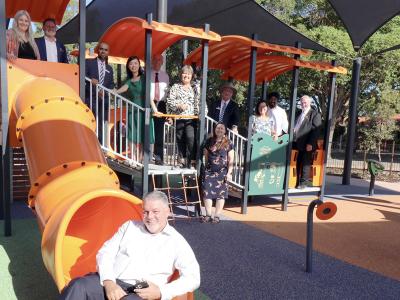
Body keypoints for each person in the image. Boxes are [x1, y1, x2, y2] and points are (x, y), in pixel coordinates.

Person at [59, 191, 200, 300]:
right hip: (113, 282)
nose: (150, 216)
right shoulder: (129, 226)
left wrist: (161, 291)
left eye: (155, 211)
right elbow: (105, 252)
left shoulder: (177, 241)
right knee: (79, 285)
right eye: (145, 211)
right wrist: (109, 282)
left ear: (167, 212)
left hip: (139, 293)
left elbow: (193, 278)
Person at [114, 56, 155, 162]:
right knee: (132, 135)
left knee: (143, 135)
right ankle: (133, 158)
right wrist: (115, 91)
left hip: (144, 110)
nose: (133, 65)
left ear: (139, 65)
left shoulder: (144, 78)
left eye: (135, 63)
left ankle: (140, 160)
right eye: (131, 64)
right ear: (128, 66)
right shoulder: (129, 81)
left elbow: (149, 95)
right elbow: (124, 88)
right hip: (133, 111)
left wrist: (154, 109)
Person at [166, 65, 202, 168]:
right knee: (180, 138)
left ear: (192, 76)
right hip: (179, 117)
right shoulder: (175, 87)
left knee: (191, 138)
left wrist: (202, 113)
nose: (186, 75)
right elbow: (169, 102)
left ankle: (192, 161)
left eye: (188, 74)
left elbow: (200, 101)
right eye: (184, 73)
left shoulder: (195, 87)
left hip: (192, 118)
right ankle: (181, 160)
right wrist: (178, 106)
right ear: (180, 74)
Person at [201, 123, 234, 224]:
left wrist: (229, 173)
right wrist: (206, 168)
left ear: (225, 130)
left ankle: (217, 216)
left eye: (222, 128)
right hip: (209, 172)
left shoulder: (229, 143)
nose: (219, 130)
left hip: (222, 172)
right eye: (217, 128)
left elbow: (231, 159)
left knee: (221, 195)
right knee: (207, 193)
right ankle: (208, 215)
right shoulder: (209, 141)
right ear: (214, 129)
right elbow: (206, 156)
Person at [85, 42, 114, 145]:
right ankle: (89, 144)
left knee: (101, 124)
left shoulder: (110, 69)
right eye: (101, 49)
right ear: (98, 50)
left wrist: (105, 91)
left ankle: (100, 146)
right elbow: (82, 76)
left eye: (106, 50)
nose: (103, 51)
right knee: (91, 122)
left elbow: (111, 84)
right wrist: (90, 80)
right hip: (91, 99)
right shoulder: (88, 63)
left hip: (103, 101)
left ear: (108, 52)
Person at [293, 95, 321, 189]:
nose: (303, 104)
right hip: (296, 142)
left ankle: (303, 182)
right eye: (302, 102)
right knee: (296, 163)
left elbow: (316, 130)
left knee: (305, 163)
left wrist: (310, 143)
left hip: (307, 143)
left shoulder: (315, 114)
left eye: (305, 102)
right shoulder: (299, 113)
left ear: (309, 103)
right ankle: (295, 181)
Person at [150, 54, 170, 165]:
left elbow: (167, 94)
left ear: (162, 62)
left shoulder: (165, 76)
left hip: (161, 104)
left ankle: (158, 157)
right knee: (147, 130)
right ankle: (145, 156)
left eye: (159, 60)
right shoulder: (147, 74)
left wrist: (168, 112)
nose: (158, 62)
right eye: (156, 59)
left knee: (159, 133)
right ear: (152, 61)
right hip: (149, 103)